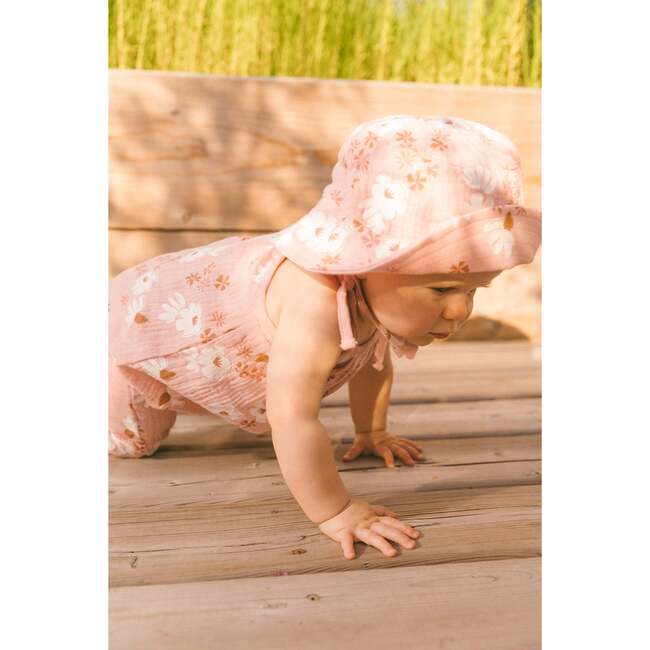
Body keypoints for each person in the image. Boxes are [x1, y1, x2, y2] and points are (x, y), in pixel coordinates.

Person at [108, 114, 541, 559]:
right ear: (369, 261)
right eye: (444, 289)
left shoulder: (369, 294)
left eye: (474, 291)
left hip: (207, 351)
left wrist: (372, 430)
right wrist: (335, 512)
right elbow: (292, 416)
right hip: (137, 339)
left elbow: (372, 359)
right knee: (134, 442)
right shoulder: (313, 300)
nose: (461, 310)